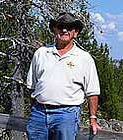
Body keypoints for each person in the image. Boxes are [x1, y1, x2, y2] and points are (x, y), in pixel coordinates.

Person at [26, 12, 101, 140]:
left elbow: (92, 92)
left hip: (67, 114)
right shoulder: (41, 53)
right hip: (39, 113)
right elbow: (32, 86)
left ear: (75, 32)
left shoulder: (84, 58)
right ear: (55, 30)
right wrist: (35, 108)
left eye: (69, 27)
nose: (64, 30)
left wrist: (92, 119)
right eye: (60, 27)